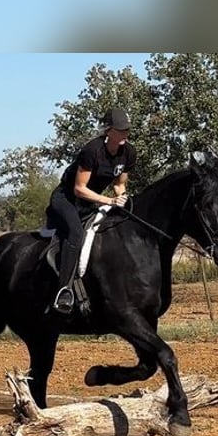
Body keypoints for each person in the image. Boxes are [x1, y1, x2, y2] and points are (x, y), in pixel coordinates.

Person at [45, 108, 136, 314]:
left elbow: (119, 185)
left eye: (127, 130)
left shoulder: (129, 152)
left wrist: (122, 199)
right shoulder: (92, 150)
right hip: (66, 199)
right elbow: (79, 189)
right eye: (121, 130)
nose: (125, 134)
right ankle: (63, 290)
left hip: (91, 201)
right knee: (76, 233)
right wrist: (109, 201)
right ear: (109, 131)